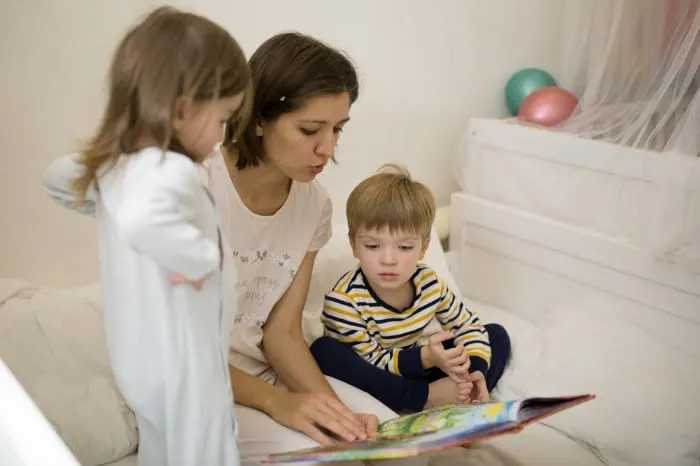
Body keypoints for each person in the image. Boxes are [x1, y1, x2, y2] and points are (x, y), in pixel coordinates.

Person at [43, 31, 428, 466]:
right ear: (258, 118)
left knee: (396, 452)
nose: (328, 148)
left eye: (338, 129)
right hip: (193, 389)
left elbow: (281, 334)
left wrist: (335, 412)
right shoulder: (190, 179)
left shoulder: (314, 204)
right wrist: (279, 404)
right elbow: (60, 179)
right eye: (310, 129)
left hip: (261, 374)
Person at [50, 6, 251, 466]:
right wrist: (201, 259)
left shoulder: (121, 169)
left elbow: (56, 179)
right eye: (222, 119)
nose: (222, 137)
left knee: (162, 451)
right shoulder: (171, 169)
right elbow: (142, 220)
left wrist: (102, 202)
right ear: (183, 110)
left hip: (141, 362)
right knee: (207, 451)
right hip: (187, 362)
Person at [310, 164, 511, 415]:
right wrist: (426, 359)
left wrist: (474, 370)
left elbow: (467, 325)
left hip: (414, 367)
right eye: (373, 246)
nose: (388, 259)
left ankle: (469, 396)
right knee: (322, 351)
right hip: (379, 379)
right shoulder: (344, 301)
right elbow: (373, 360)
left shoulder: (429, 283)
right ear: (354, 245)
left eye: (404, 247)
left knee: (495, 335)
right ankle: (427, 397)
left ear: (423, 248)